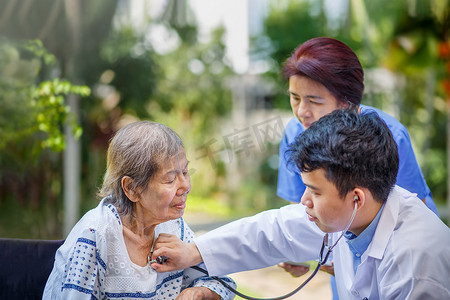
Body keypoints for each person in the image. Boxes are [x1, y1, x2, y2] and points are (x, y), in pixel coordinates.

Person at [151, 110, 450, 299]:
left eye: (314, 192)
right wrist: (192, 252)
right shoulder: (351, 216)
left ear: (356, 197)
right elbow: (273, 231)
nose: (304, 201)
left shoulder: (417, 263)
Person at [275, 37, 440, 298]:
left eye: (314, 101)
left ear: (347, 102)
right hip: (344, 273)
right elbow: (298, 213)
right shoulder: (296, 132)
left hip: (398, 267)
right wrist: (294, 250)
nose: (302, 111)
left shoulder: (389, 135)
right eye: (295, 98)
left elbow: (411, 215)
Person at [43, 121, 235, 299]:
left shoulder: (173, 227)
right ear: (132, 188)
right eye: (170, 179)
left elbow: (224, 283)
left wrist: (199, 292)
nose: (185, 186)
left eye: (185, 172)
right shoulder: (94, 237)